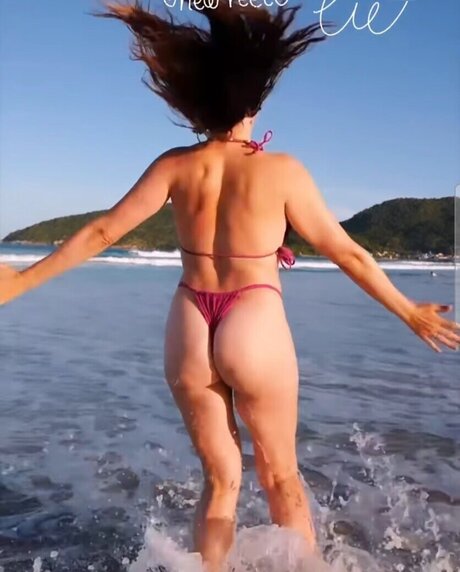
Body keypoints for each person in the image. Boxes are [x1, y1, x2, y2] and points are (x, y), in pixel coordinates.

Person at [0, 2, 459, 570]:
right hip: (253, 318)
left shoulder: (175, 165)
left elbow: (102, 232)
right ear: (255, 97)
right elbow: (347, 253)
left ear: (196, 99)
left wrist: (21, 280)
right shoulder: (282, 170)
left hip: (190, 321)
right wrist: (408, 311)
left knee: (220, 481)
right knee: (281, 476)